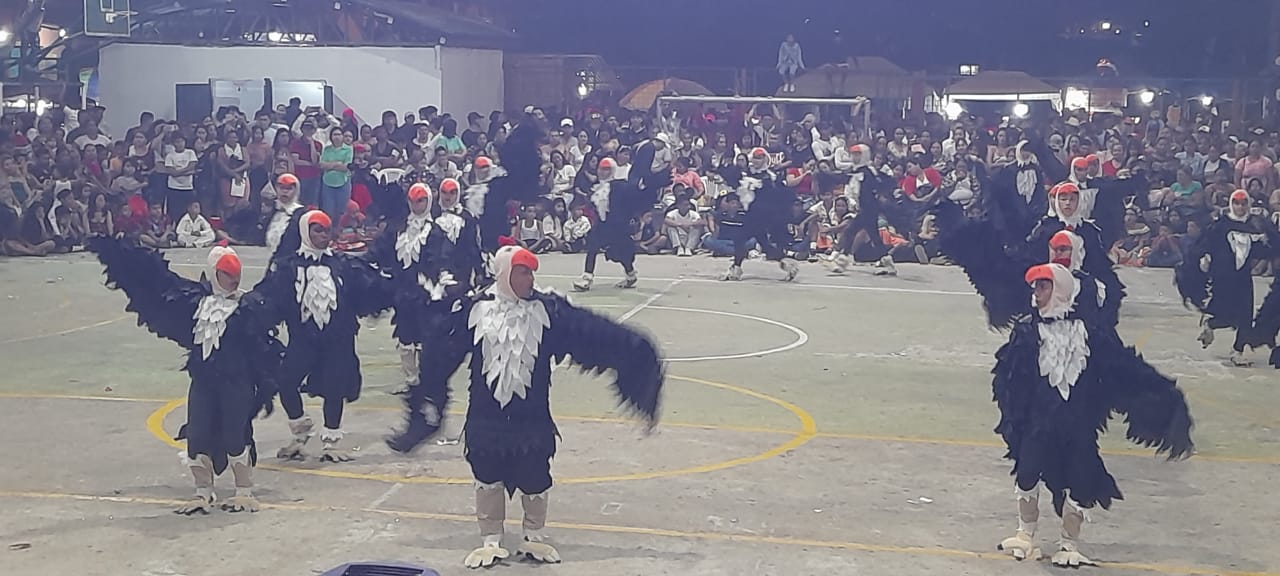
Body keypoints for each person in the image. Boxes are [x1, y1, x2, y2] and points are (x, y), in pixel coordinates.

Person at [386, 244, 665, 569]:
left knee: (535, 472)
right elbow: (440, 354)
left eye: (531, 272)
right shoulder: (473, 310)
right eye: (521, 272)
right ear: (504, 273)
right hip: (485, 419)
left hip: (531, 420)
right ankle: (491, 538)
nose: (529, 278)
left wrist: (636, 349)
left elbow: (596, 334)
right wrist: (427, 402)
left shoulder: (550, 312)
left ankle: (533, 535)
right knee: (486, 472)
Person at [993, 263, 1192, 566]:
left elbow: (1121, 365)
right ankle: (1025, 535)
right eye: (1036, 287)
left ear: (1060, 289)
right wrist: (1015, 419)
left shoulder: (1090, 333)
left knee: (1081, 478)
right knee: (1028, 472)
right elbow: (1010, 379)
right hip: (1039, 424)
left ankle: (1069, 543)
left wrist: (1160, 390)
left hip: (1078, 426)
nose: (1037, 293)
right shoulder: (1026, 332)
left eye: (1043, 286)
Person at [88, 239, 282, 515]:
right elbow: (157, 283)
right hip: (203, 381)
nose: (233, 279)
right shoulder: (192, 303)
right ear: (214, 272)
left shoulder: (250, 307)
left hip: (237, 381)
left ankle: (243, 491)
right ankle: (203, 492)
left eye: (236, 274)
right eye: (226, 274)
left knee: (235, 434)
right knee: (197, 433)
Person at [256, 210, 393, 462]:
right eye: (317, 230)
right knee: (286, 381)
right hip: (302, 339)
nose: (323, 235)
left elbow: (369, 289)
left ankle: (331, 442)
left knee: (335, 388)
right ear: (305, 231)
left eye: (327, 230)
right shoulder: (287, 267)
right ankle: (300, 432)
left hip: (338, 340)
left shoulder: (343, 264)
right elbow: (268, 299)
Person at [368, 182, 460, 396]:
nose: (416, 205)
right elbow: (380, 251)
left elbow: (443, 260)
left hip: (426, 294)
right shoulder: (397, 228)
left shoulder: (436, 232)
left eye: (421, 200)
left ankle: (426, 381)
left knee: (426, 338)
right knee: (405, 335)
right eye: (413, 200)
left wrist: (442, 285)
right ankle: (411, 381)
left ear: (429, 201)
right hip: (402, 292)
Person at [1177, 190, 1271, 366]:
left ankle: (1237, 351)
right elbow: (1205, 244)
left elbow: (1261, 251)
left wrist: (1266, 241)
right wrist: (1203, 259)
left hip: (1243, 278)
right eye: (1237, 203)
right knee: (1226, 315)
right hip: (1222, 277)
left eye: (1243, 203)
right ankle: (1210, 324)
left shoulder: (1254, 225)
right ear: (1231, 204)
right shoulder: (1220, 224)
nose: (1240, 207)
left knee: (1245, 316)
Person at [721, 148, 800, 282]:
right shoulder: (746, 173)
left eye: (760, 158)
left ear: (765, 159)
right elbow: (733, 181)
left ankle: (736, 269)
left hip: (762, 215)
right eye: (755, 158)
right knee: (764, 245)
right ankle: (788, 264)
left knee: (739, 239)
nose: (757, 161)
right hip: (752, 214)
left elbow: (775, 197)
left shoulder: (769, 177)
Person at [572, 158, 649, 291]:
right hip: (602, 225)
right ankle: (587, 278)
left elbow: (635, 196)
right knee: (592, 247)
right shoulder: (596, 187)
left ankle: (631, 274)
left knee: (620, 254)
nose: (603, 172)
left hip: (618, 226)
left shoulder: (621, 186)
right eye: (601, 168)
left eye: (607, 169)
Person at [319, 127, 354, 222]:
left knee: (342, 211)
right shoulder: (326, 149)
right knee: (328, 211)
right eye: (335, 135)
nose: (337, 137)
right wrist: (337, 163)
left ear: (342, 136)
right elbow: (322, 165)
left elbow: (346, 167)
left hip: (343, 182)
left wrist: (330, 165)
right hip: (328, 183)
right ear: (331, 137)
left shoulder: (348, 149)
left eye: (339, 134)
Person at [265, 173, 304, 253]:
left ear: (296, 190)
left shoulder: (301, 214)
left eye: (289, 188)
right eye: (282, 188)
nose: (285, 191)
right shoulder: (271, 209)